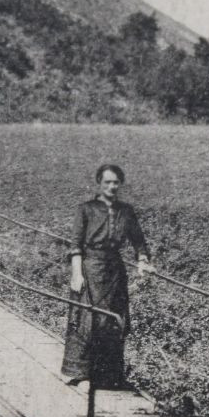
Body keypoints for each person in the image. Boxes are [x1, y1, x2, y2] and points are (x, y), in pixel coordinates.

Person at [61, 163, 151, 389]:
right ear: (99, 184)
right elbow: (76, 244)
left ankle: (109, 376)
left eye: (115, 182)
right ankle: (82, 374)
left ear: (120, 184)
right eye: (107, 182)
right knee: (87, 319)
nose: (112, 186)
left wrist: (142, 261)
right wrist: (77, 273)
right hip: (90, 268)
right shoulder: (86, 209)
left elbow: (139, 241)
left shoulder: (126, 211)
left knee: (113, 320)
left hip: (115, 271)